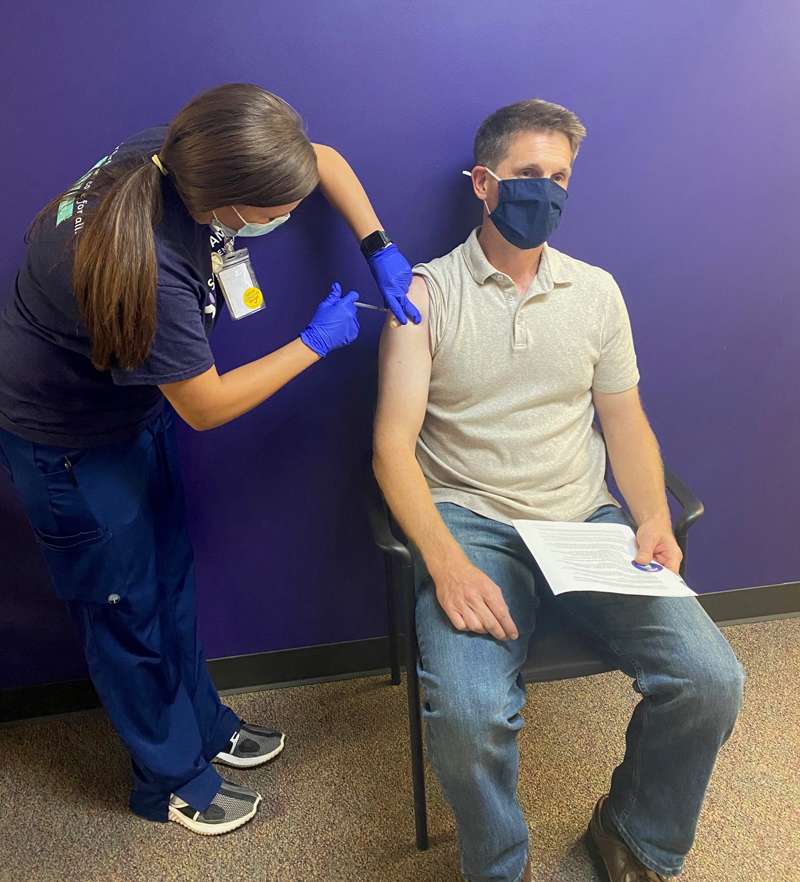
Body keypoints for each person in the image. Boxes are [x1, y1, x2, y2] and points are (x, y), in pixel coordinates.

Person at [0, 82, 419, 836]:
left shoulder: (182, 154)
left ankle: (204, 722)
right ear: (227, 204)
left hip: (129, 410)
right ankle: (169, 777)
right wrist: (314, 343)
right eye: (273, 214)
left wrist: (378, 246)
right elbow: (207, 406)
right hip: (65, 443)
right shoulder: (149, 267)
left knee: (168, 577)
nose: (286, 219)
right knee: (124, 611)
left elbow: (318, 161)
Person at [373, 99, 744, 882]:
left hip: (584, 519)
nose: (546, 191)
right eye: (527, 176)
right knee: (471, 717)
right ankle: (501, 866)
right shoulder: (425, 294)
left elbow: (626, 422)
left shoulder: (598, 293)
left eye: (560, 177)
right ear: (483, 183)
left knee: (713, 680)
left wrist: (650, 518)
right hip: (471, 523)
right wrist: (442, 559)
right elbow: (391, 450)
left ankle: (635, 837)